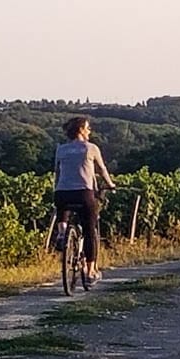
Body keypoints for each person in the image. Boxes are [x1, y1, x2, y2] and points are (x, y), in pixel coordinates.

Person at [54, 116, 115, 285]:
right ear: (81, 129)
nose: (90, 131)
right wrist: (111, 184)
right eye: (88, 128)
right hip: (84, 193)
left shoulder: (61, 149)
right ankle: (90, 272)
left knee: (62, 207)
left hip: (62, 193)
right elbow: (102, 170)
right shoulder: (91, 148)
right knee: (90, 231)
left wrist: (56, 189)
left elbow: (57, 173)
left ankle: (62, 231)